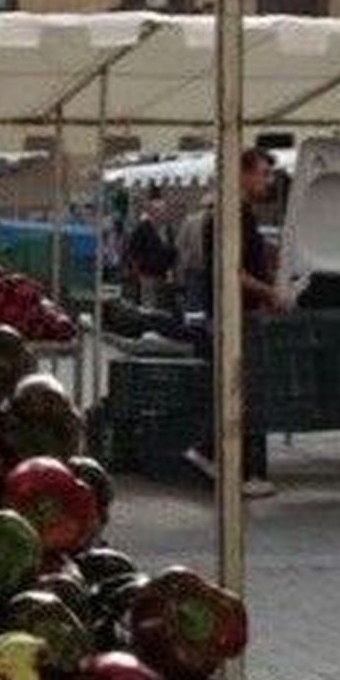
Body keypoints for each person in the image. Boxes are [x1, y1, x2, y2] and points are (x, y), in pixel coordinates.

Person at [184, 146, 285, 498]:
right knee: (241, 390)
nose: (268, 180)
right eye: (263, 173)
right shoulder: (233, 216)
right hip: (236, 315)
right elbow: (232, 272)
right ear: (241, 174)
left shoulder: (235, 214)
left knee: (237, 388)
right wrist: (270, 292)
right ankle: (222, 460)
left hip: (237, 312)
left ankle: (220, 459)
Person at [121, 184, 178, 311]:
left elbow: (172, 249)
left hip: (162, 273)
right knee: (149, 304)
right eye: (159, 211)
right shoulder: (143, 228)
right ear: (152, 212)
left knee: (161, 304)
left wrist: (171, 268)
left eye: (164, 210)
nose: (163, 214)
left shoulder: (167, 229)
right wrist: (138, 267)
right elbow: (133, 249)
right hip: (147, 273)